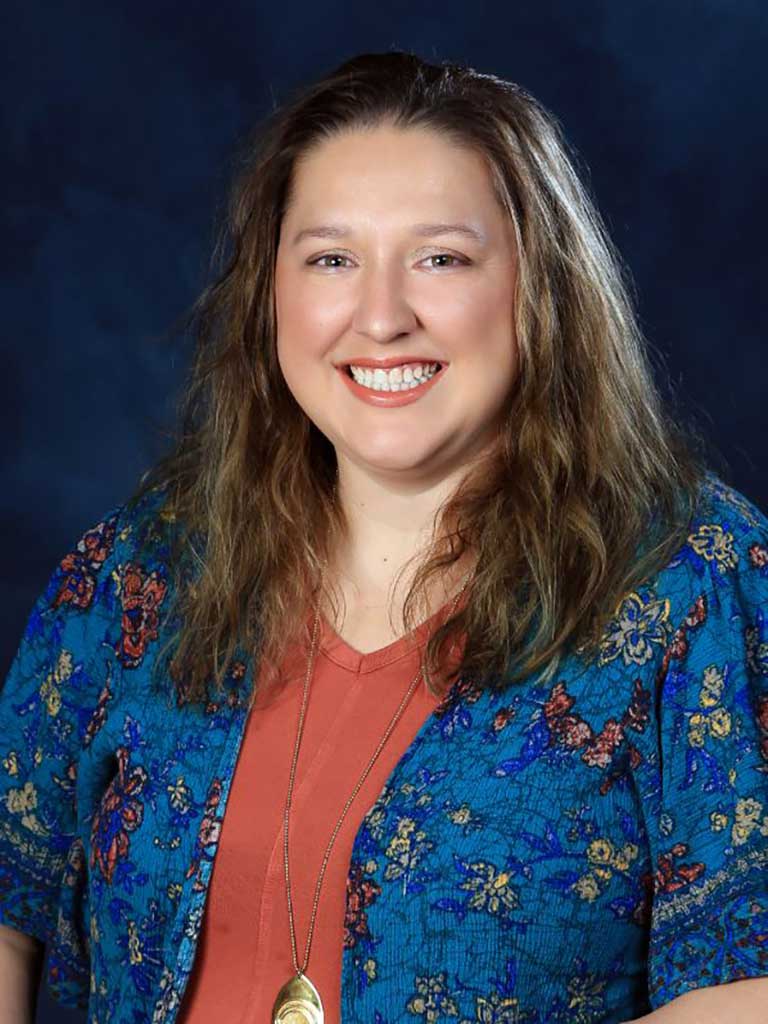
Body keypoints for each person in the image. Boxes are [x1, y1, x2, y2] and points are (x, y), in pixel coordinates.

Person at [1, 50, 766, 1024]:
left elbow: (750, 987)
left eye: (440, 258)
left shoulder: (696, 585)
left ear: (540, 285)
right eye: (331, 258)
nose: (381, 316)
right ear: (269, 291)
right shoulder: (139, 572)